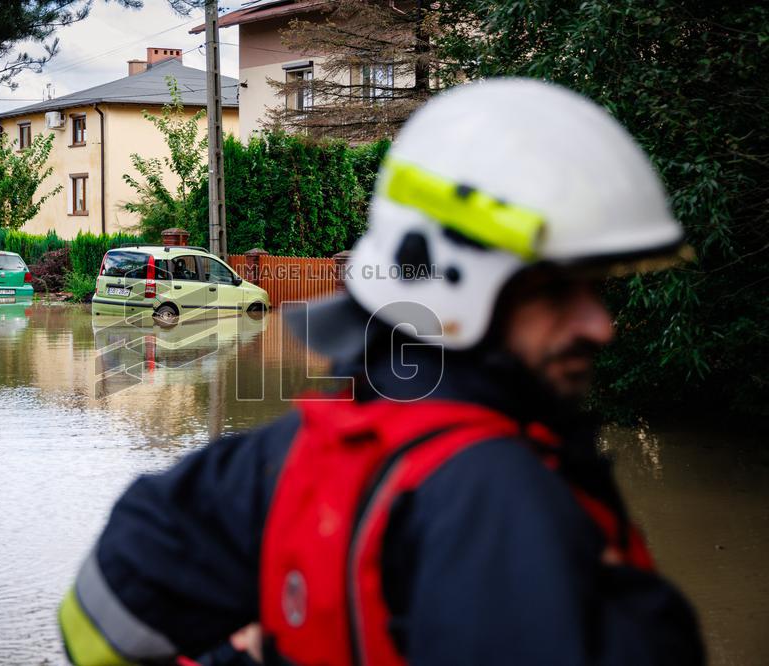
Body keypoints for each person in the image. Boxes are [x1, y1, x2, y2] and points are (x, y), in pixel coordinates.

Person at [58, 79, 705, 665]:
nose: (599, 325)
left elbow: (95, 617)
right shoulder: (499, 496)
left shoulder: (303, 446)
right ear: (457, 283)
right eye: (558, 291)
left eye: (596, 288)